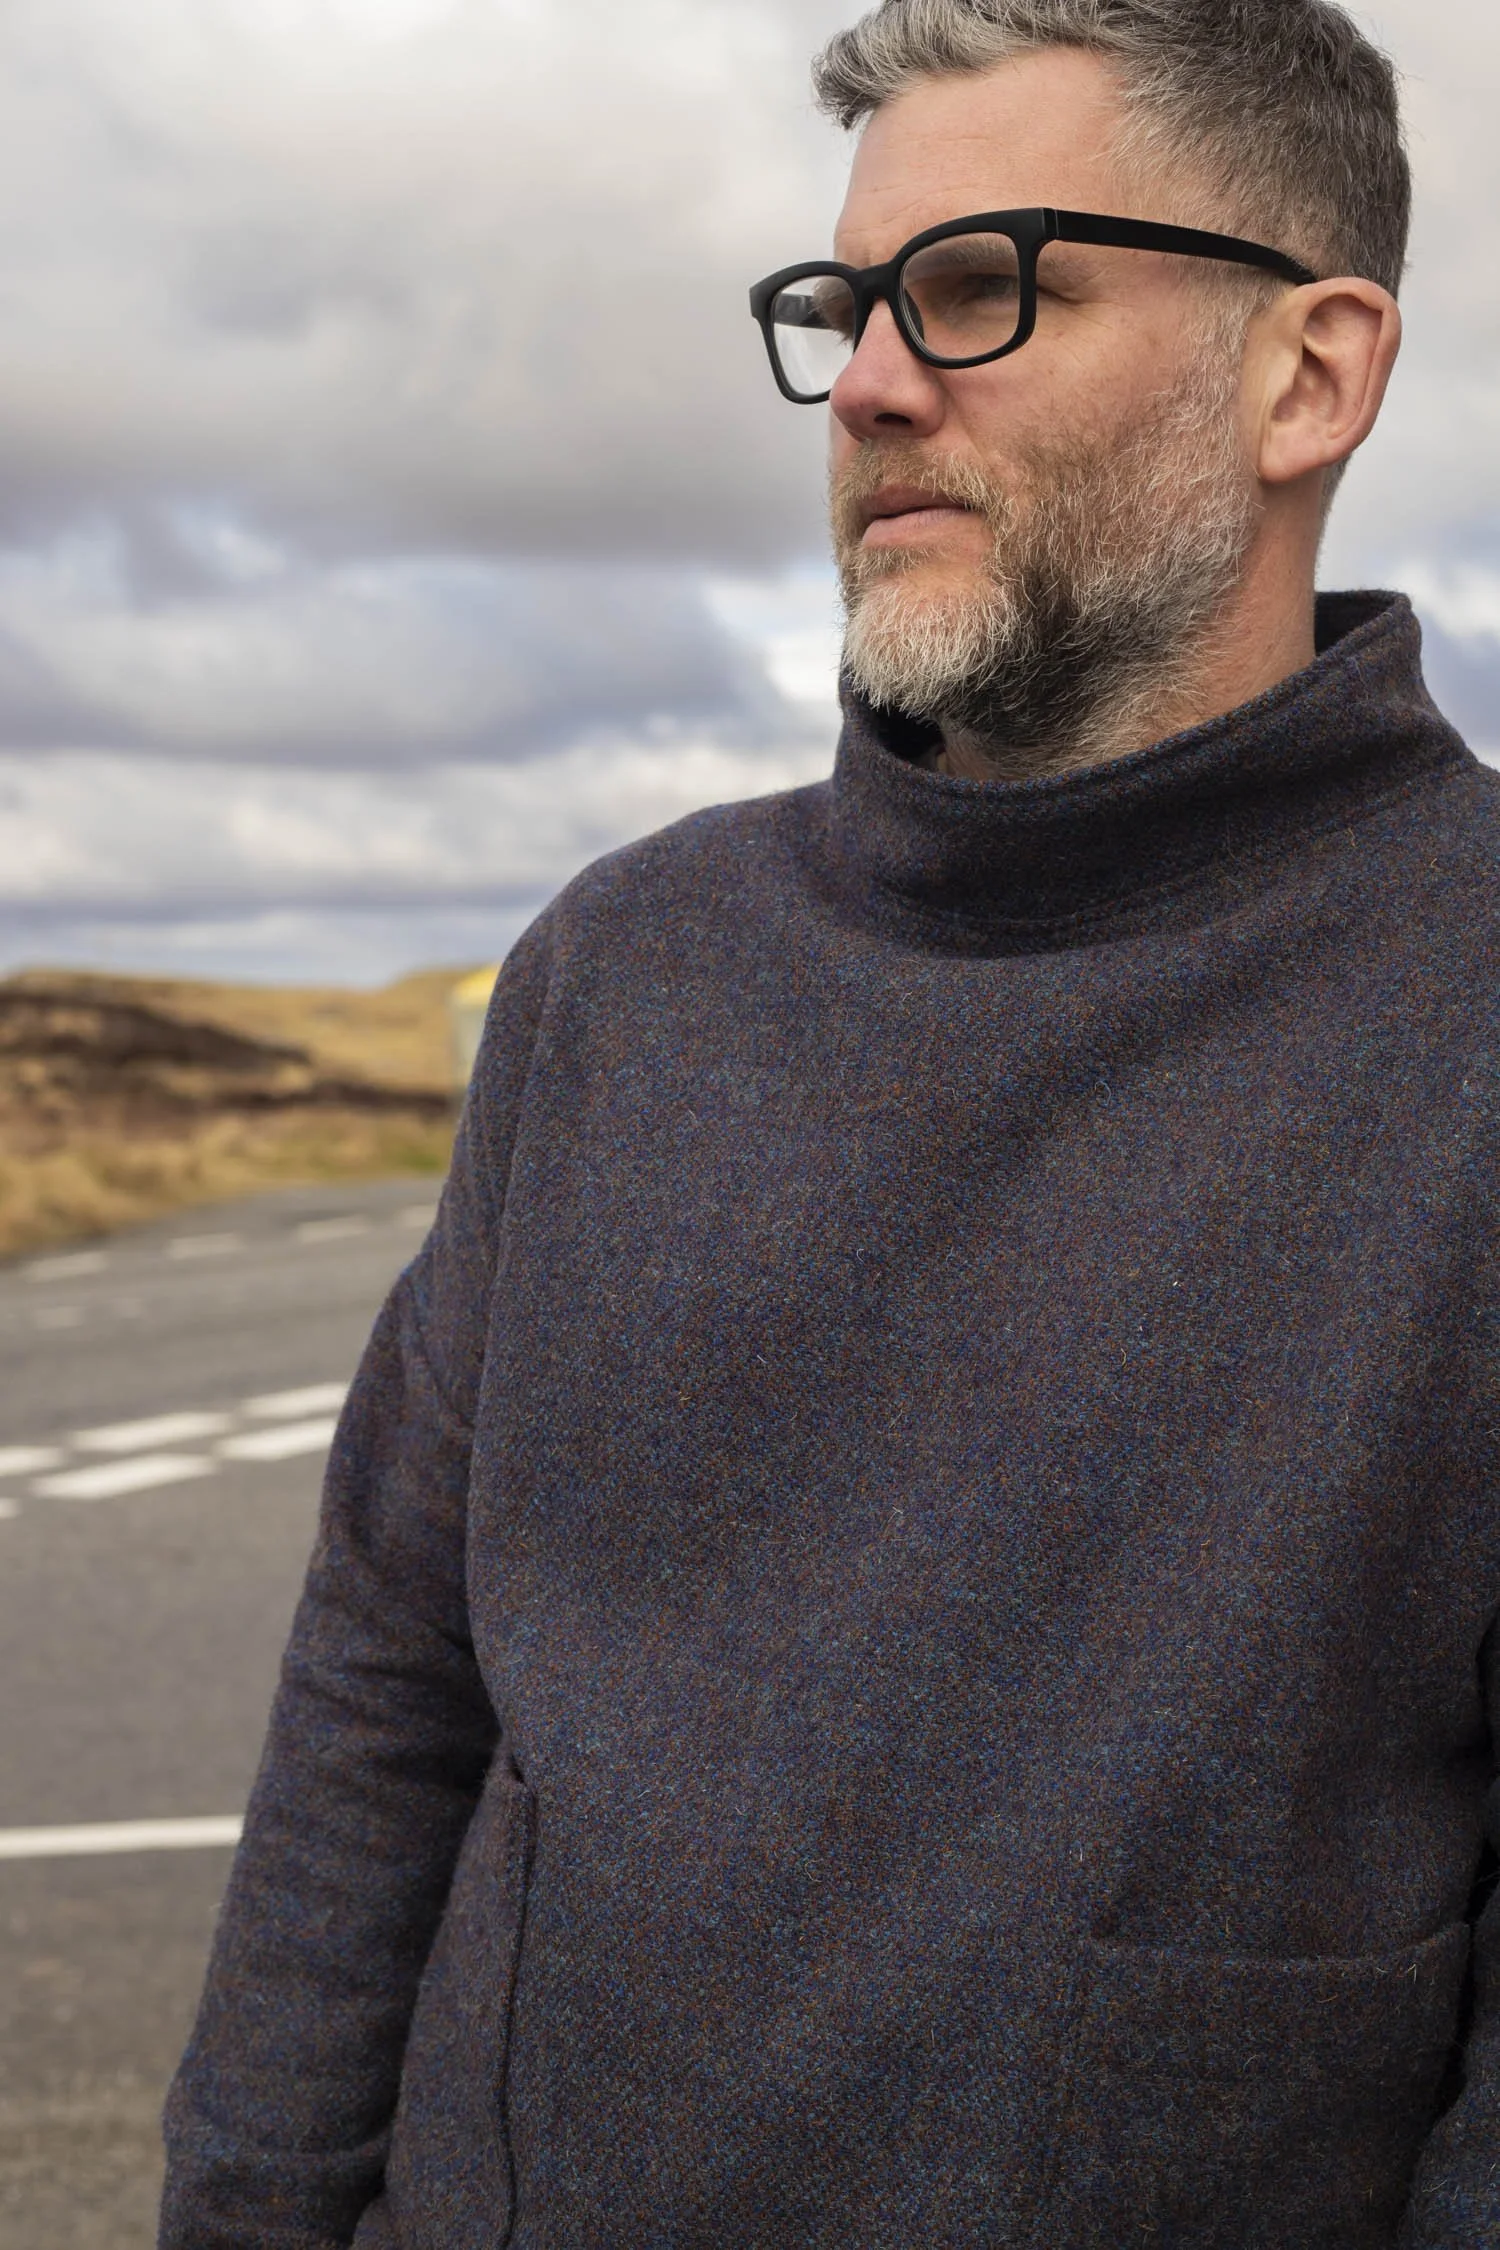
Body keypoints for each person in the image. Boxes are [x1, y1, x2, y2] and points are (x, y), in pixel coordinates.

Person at [159, 2, 1500, 2243]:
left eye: (983, 285)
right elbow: (381, 1706)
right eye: (846, 301)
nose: (872, 381)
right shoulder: (623, 968)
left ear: (1311, 375)